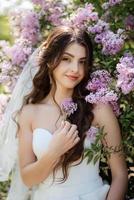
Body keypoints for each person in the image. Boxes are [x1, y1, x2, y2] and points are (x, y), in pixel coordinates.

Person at [1, 25, 128, 200]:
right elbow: (28, 179)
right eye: (67, 59)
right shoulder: (30, 113)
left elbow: (120, 175)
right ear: (50, 59)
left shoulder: (99, 109)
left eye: (82, 61)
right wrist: (54, 151)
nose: (76, 69)